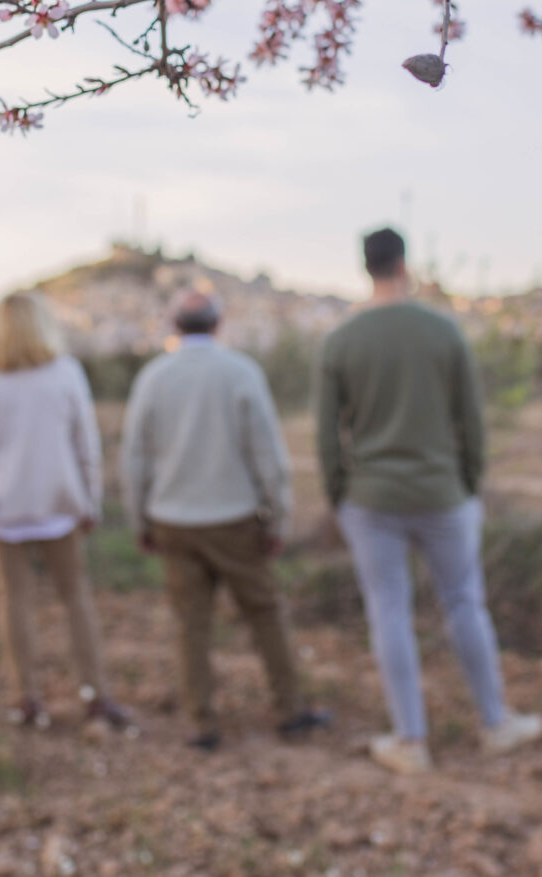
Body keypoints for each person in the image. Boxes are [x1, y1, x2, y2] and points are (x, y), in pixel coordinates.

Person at [314, 227, 542, 775]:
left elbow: (328, 436)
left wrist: (338, 496)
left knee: (389, 611)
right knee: (464, 602)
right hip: (443, 493)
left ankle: (410, 740)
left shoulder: (341, 342)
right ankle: (495, 723)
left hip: (370, 499)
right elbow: (472, 421)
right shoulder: (443, 332)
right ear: (405, 264)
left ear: (365, 267)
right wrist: (467, 482)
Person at [122, 289, 331, 751]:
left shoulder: (154, 378)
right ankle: (290, 709)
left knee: (190, 624)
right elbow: (268, 457)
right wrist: (277, 520)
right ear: (219, 324)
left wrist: (139, 520)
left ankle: (202, 722)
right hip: (234, 520)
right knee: (264, 614)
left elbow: (135, 457)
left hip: (172, 521)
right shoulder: (240, 372)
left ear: (174, 326)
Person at [0, 291, 132, 730]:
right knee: (74, 598)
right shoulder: (65, 373)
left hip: (3, 507)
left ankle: (25, 697)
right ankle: (94, 695)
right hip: (59, 504)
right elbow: (86, 442)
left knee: (13, 600)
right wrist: (90, 501)